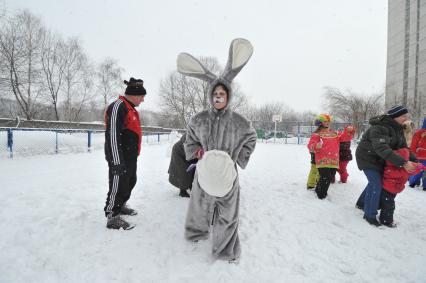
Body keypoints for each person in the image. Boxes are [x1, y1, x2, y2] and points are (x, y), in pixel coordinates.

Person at [177, 38, 257, 262]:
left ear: (228, 96)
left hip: (228, 175)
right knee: (199, 205)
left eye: (223, 93)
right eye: (215, 94)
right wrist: (197, 153)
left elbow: (251, 138)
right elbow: (190, 138)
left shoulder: (240, 122)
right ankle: (196, 232)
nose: (218, 97)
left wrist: (238, 158)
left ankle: (224, 249)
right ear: (210, 96)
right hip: (204, 173)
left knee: (228, 213)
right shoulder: (198, 119)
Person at [355, 105, 418, 227]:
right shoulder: (379, 128)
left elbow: (404, 148)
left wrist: (416, 162)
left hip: (381, 159)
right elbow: (382, 148)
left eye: (406, 115)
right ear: (395, 116)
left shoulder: (399, 129)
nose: (406, 118)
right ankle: (370, 215)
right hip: (368, 158)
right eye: (403, 116)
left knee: (374, 182)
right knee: (376, 184)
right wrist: (404, 163)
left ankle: (362, 203)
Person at [104, 77, 146, 230]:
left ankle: (120, 205)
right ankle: (112, 215)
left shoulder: (130, 108)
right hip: (119, 156)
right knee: (117, 183)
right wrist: (116, 160)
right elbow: (113, 135)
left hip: (129, 156)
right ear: (134, 94)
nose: (142, 100)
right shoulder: (118, 106)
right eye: (142, 96)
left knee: (129, 181)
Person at [307, 114, 351, 199]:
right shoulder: (317, 134)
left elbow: (344, 138)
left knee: (330, 177)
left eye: (328, 121)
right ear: (320, 123)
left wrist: (348, 131)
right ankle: (321, 195)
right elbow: (310, 145)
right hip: (322, 159)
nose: (327, 123)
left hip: (334, 159)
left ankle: (318, 190)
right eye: (325, 121)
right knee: (325, 177)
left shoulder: (334, 133)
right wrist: (316, 145)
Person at [380, 148, 423, 227]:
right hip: (388, 188)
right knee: (389, 206)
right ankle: (386, 221)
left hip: (394, 189)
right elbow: (392, 173)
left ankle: (384, 217)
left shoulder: (404, 167)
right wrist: (405, 170)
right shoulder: (390, 167)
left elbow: (411, 171)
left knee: (387, 204)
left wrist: (419, 167)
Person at [168, 133, 197, 197]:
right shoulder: (192, 133)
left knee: (192, 169)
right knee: (183, 172)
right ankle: (182, 191)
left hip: (189, 154)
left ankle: (191, 186)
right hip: (179, 152)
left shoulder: (198, 132)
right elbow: (186, 143)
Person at [409, 117, 426, 190]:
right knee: (420, 170)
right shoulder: (419, 133)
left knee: (418, 170)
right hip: (420, 156)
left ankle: (414, 182)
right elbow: (413, 145)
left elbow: (413, 145)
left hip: (419, 156)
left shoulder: (418, 133)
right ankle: (422, 185)